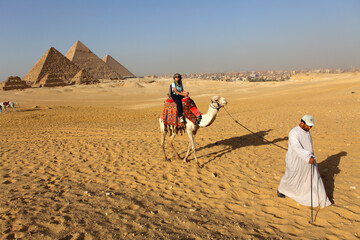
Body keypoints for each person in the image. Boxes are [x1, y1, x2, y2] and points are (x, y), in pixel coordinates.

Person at [277, 115, 331, 208]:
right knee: (292, 177)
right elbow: (296, 147)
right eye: (308, 125)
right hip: (295, 160)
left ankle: (312, 196)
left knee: (309, 177)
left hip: (307, 159)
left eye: (311, 126)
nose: (310, 127)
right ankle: (281, 190)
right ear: (302, 123)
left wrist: (309, 157)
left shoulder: (307, 132)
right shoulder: (294, 133)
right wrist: (307, 157)